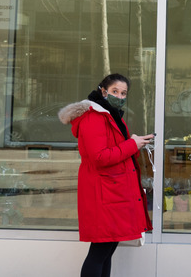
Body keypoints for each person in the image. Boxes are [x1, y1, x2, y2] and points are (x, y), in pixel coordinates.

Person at [58, 74, 153, 277]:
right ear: (103, 91)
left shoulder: (111, 115)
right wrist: (131, 144)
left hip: (112, 193)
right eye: (114, 91)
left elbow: (116, 150)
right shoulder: (94, 117)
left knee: (107, 251)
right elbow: (99, 157)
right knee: (100, 252)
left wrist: (134, 142)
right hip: (103, 194)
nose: (119, 96)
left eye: (123, 93)